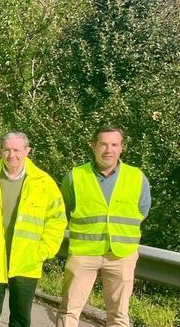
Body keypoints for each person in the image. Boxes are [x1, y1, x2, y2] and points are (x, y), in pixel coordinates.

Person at [56, 126, 151, 327]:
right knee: (69, 310)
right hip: (84, 252)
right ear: (93, 146)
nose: (109, 150)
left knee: (118, 315)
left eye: (114, 144)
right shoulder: (74, 177)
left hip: (121, 254)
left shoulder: (137, 177)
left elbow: (142, 211)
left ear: (122, 148)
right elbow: (68, 207)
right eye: (103, 144)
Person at [0, 132, 67, 327]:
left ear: (27, 151)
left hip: (27, 261)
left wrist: (43, 251)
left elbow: (57, 220)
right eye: (7, 149)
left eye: (16, 150)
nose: (11, 154)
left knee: (20, 319)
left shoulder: (44, 183)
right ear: (0, 151)